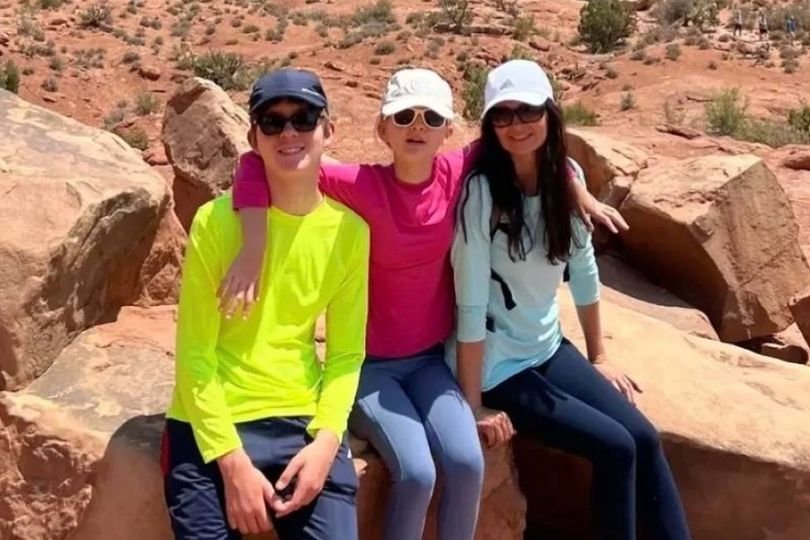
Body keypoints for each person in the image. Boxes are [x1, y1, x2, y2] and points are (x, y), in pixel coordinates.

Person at [221, 67, 628, 540]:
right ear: (382, 128)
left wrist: (576, 186)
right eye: (404, 116)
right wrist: (254, 242)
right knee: (417, 472)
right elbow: (255, 163)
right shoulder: (360, 183)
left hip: (431, 363)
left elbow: (534, 142)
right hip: (369, 367)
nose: (418, 126)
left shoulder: (454, 174)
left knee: (467, 461)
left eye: (431, 118)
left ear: (448, 130)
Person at [448, 60, 692, 540]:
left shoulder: (568, 177)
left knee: (644, 438)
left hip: (546, 347)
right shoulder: (482, 193)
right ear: (490, 125)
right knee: (616, 447)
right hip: (498, 366)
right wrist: (472, 404)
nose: (516, 124)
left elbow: (583, 270)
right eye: (503, 114)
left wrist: (599, 355)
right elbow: (470, 304)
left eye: (528, 111)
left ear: (550, 113)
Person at [162, 69, 370, 540]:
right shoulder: (216, 223)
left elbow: (345, 356)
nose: (289, 133)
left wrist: (327, 441)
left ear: (329, 129)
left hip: (301, 419)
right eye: (273, 123)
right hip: (211, 424)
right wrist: (231, 462)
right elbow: (194, 355)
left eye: (304, 118)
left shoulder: (350, 233)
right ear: (255, 138)